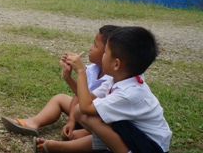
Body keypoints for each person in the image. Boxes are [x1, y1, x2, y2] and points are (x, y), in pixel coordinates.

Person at [36, 26, 171, 153]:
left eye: (105, 53)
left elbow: (86, 108)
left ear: (116, 64)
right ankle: (60, 147)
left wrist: (81, 71)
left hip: (151, 147)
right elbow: (88, 98)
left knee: (94, 119)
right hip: (133, 135)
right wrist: (68, 78)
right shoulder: (118, 80)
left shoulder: (129, 93)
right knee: (88, 115)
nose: (102, 56)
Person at [1, 25, 119, 151]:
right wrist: (71, 121)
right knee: (60, 98)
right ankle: (33, 122)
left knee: (97, 137)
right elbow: (79, 95)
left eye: (95, 45)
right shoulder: (92, 70)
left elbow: (107, 118)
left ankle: (61, 146)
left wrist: (85, 131)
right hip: (83, 112)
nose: (90, 47)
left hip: (99, 119)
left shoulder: (114, 80)